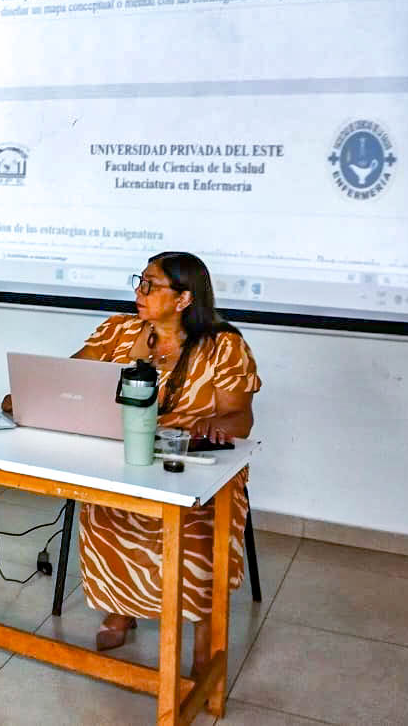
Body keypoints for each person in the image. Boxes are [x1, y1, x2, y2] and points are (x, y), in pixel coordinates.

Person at [75, 251, 258, 668]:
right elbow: (73, 376)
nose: (138, 293)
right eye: (139, 282)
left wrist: (217, 425)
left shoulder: (223, 346)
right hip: (121, 459)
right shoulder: (119, 331)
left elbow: (242, 416)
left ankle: (201, 634)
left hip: (190, 467)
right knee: (105, 501)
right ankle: (121, 607)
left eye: (150, 286)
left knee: (193, 527)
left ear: (183, 299)